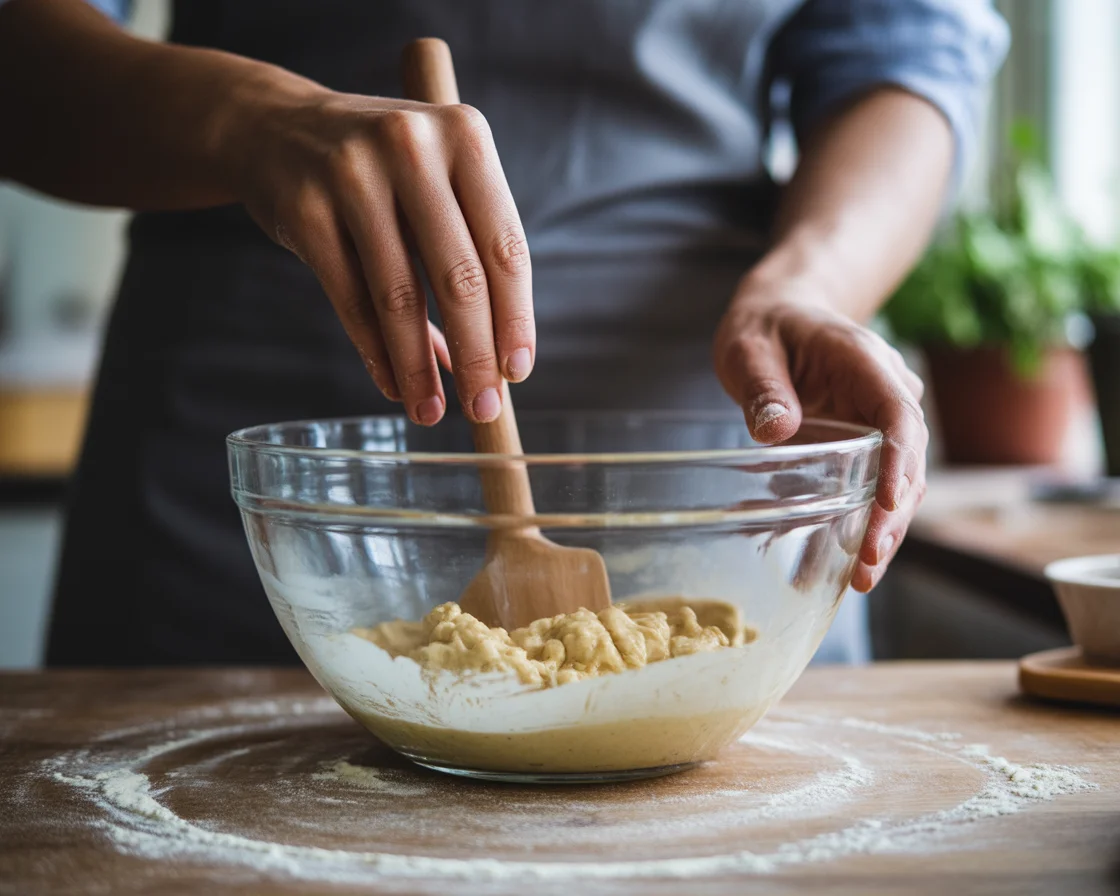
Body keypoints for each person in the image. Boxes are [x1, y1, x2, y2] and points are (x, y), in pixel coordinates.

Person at [0, 0, 1008, 666]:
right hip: (253, 500)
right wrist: (250, 118)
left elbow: (907, 55)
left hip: (721, 488)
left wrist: (808, 282)